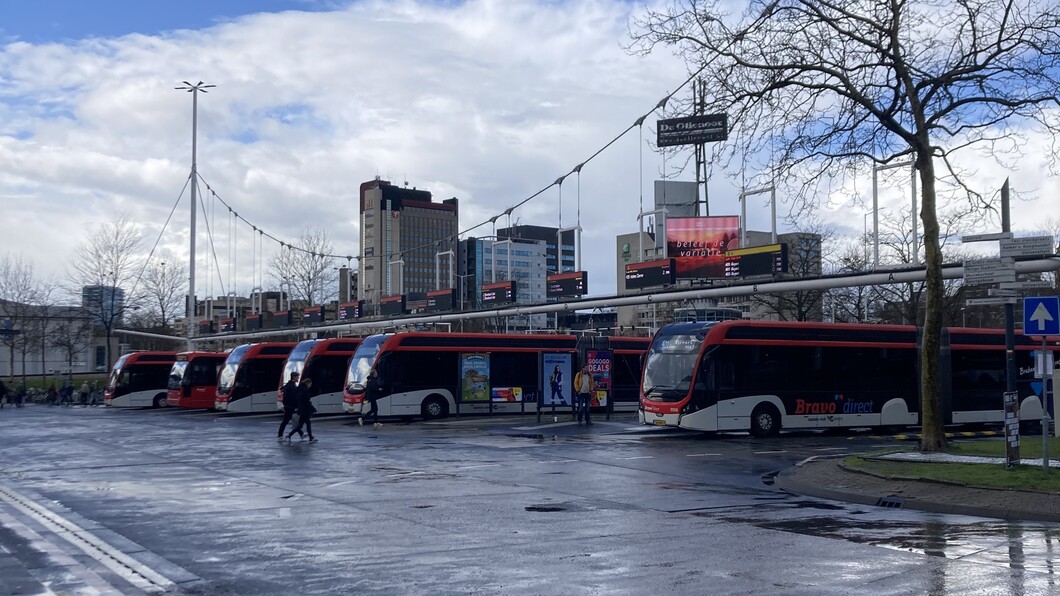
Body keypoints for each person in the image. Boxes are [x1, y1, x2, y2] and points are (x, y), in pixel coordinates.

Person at [285, 377, 316, 443]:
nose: (310, 385)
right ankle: (310, 438)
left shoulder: (300, 389)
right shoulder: (306, 391)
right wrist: (313, 409)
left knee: (301, 425)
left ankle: (289, 435)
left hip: (301, 410)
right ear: (308, 383)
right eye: (310, 384)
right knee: (307, 424)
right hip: (306, 410)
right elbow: (307, 402)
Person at [277, 372, 300, 440]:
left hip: (287, 405)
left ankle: (280, 434)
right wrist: (297, 405)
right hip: (290, 406)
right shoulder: (292, 386)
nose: (298, 378)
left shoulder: (288, 385)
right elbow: (294, 397)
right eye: (297, 377)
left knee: (288, 420)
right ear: (294, 377)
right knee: (287, 420)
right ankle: (280, 434)